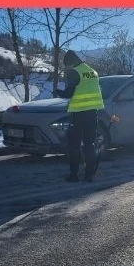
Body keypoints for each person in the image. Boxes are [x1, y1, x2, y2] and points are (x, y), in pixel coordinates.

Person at [55, 50, 105, 182]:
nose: (67, 69)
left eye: (67, 66)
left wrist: (58, 92)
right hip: (92, 113)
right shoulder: (92, 71)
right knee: (90, 144)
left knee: (74, 145)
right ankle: (89, 175)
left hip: (78, 114)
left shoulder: (75, 72)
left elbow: (68, 93)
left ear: (70, 63)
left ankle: (73, 175)